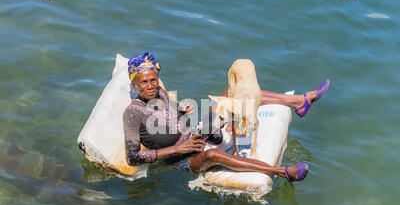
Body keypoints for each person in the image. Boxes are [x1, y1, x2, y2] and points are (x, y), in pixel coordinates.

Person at [123, 52, 330, 182]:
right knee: (213, 156)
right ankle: (282, 172)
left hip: (197, 133)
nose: (150, 86)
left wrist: (181, 110)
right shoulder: (133, 113)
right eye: (143, 83)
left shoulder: (159, 92)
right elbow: (133, 157)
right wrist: (179, 149)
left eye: (153, 80)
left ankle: (299, 102)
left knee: (231, 94)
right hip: (181, 159)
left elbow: (169, 112)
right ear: (134, 85)